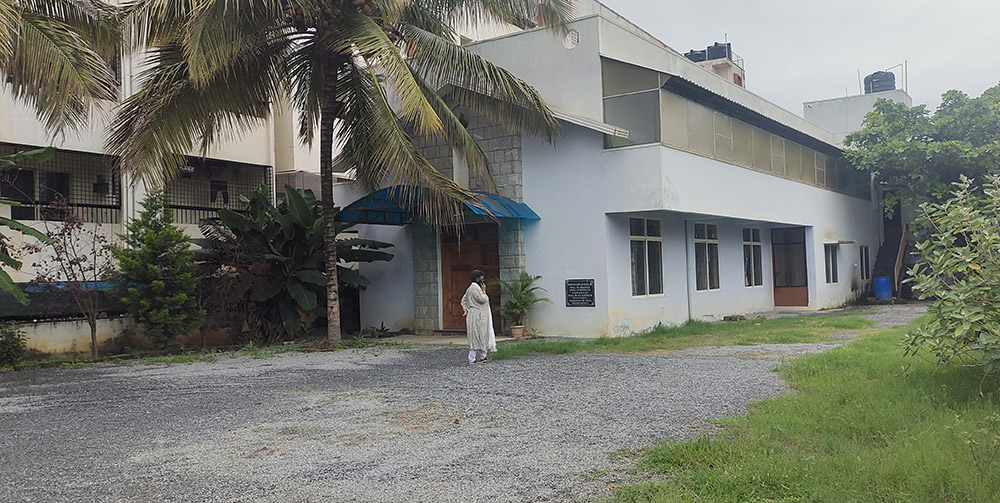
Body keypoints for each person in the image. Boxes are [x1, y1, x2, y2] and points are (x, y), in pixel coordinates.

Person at [462, 270, 491, 364]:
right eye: (481, 278)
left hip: (476, 315)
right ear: (477, 278)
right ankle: (472, 359)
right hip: (477, 315)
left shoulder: (470, 288)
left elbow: (463, 300)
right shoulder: (474, 288)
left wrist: (465, 309)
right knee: (477, 335)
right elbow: (483, 299)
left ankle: (483, 356)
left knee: (481, 335)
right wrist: (484, 291)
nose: (483, 280)